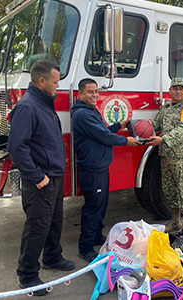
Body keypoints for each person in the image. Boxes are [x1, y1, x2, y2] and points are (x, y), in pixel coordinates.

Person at [8, 59, 75, 296]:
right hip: (41, 180)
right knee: (37, 226)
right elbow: (17, 147)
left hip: (53, 177)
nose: (58, 86)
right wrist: (37, 176)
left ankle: (52, 257)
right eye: (55, 82)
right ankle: (27, 276)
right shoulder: (28, 107)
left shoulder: (44, 103)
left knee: (54, 221)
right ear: (42, 81)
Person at [71, 78, 141, 262]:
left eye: (96, 91)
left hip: (100, 166)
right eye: (89, 92)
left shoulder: (91, 111)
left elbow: (104, 131)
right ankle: (85, 246)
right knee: (93, 206)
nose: (94, 95)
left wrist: (120, 126)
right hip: (92, 168)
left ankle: (95, 235)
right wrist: (126, 140)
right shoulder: (82, 115)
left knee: (101, 204)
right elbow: (103, 135)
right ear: (81, 94)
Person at [146, 77, 183, 233]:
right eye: (175, 88)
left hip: (182, 157)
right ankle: (175, 220)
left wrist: (163, 139)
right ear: (170, 91)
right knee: (169, 189)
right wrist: (138, 128)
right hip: (166, 155)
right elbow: (155, 125)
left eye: (181, 88)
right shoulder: (166, 108)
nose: (178, 91)